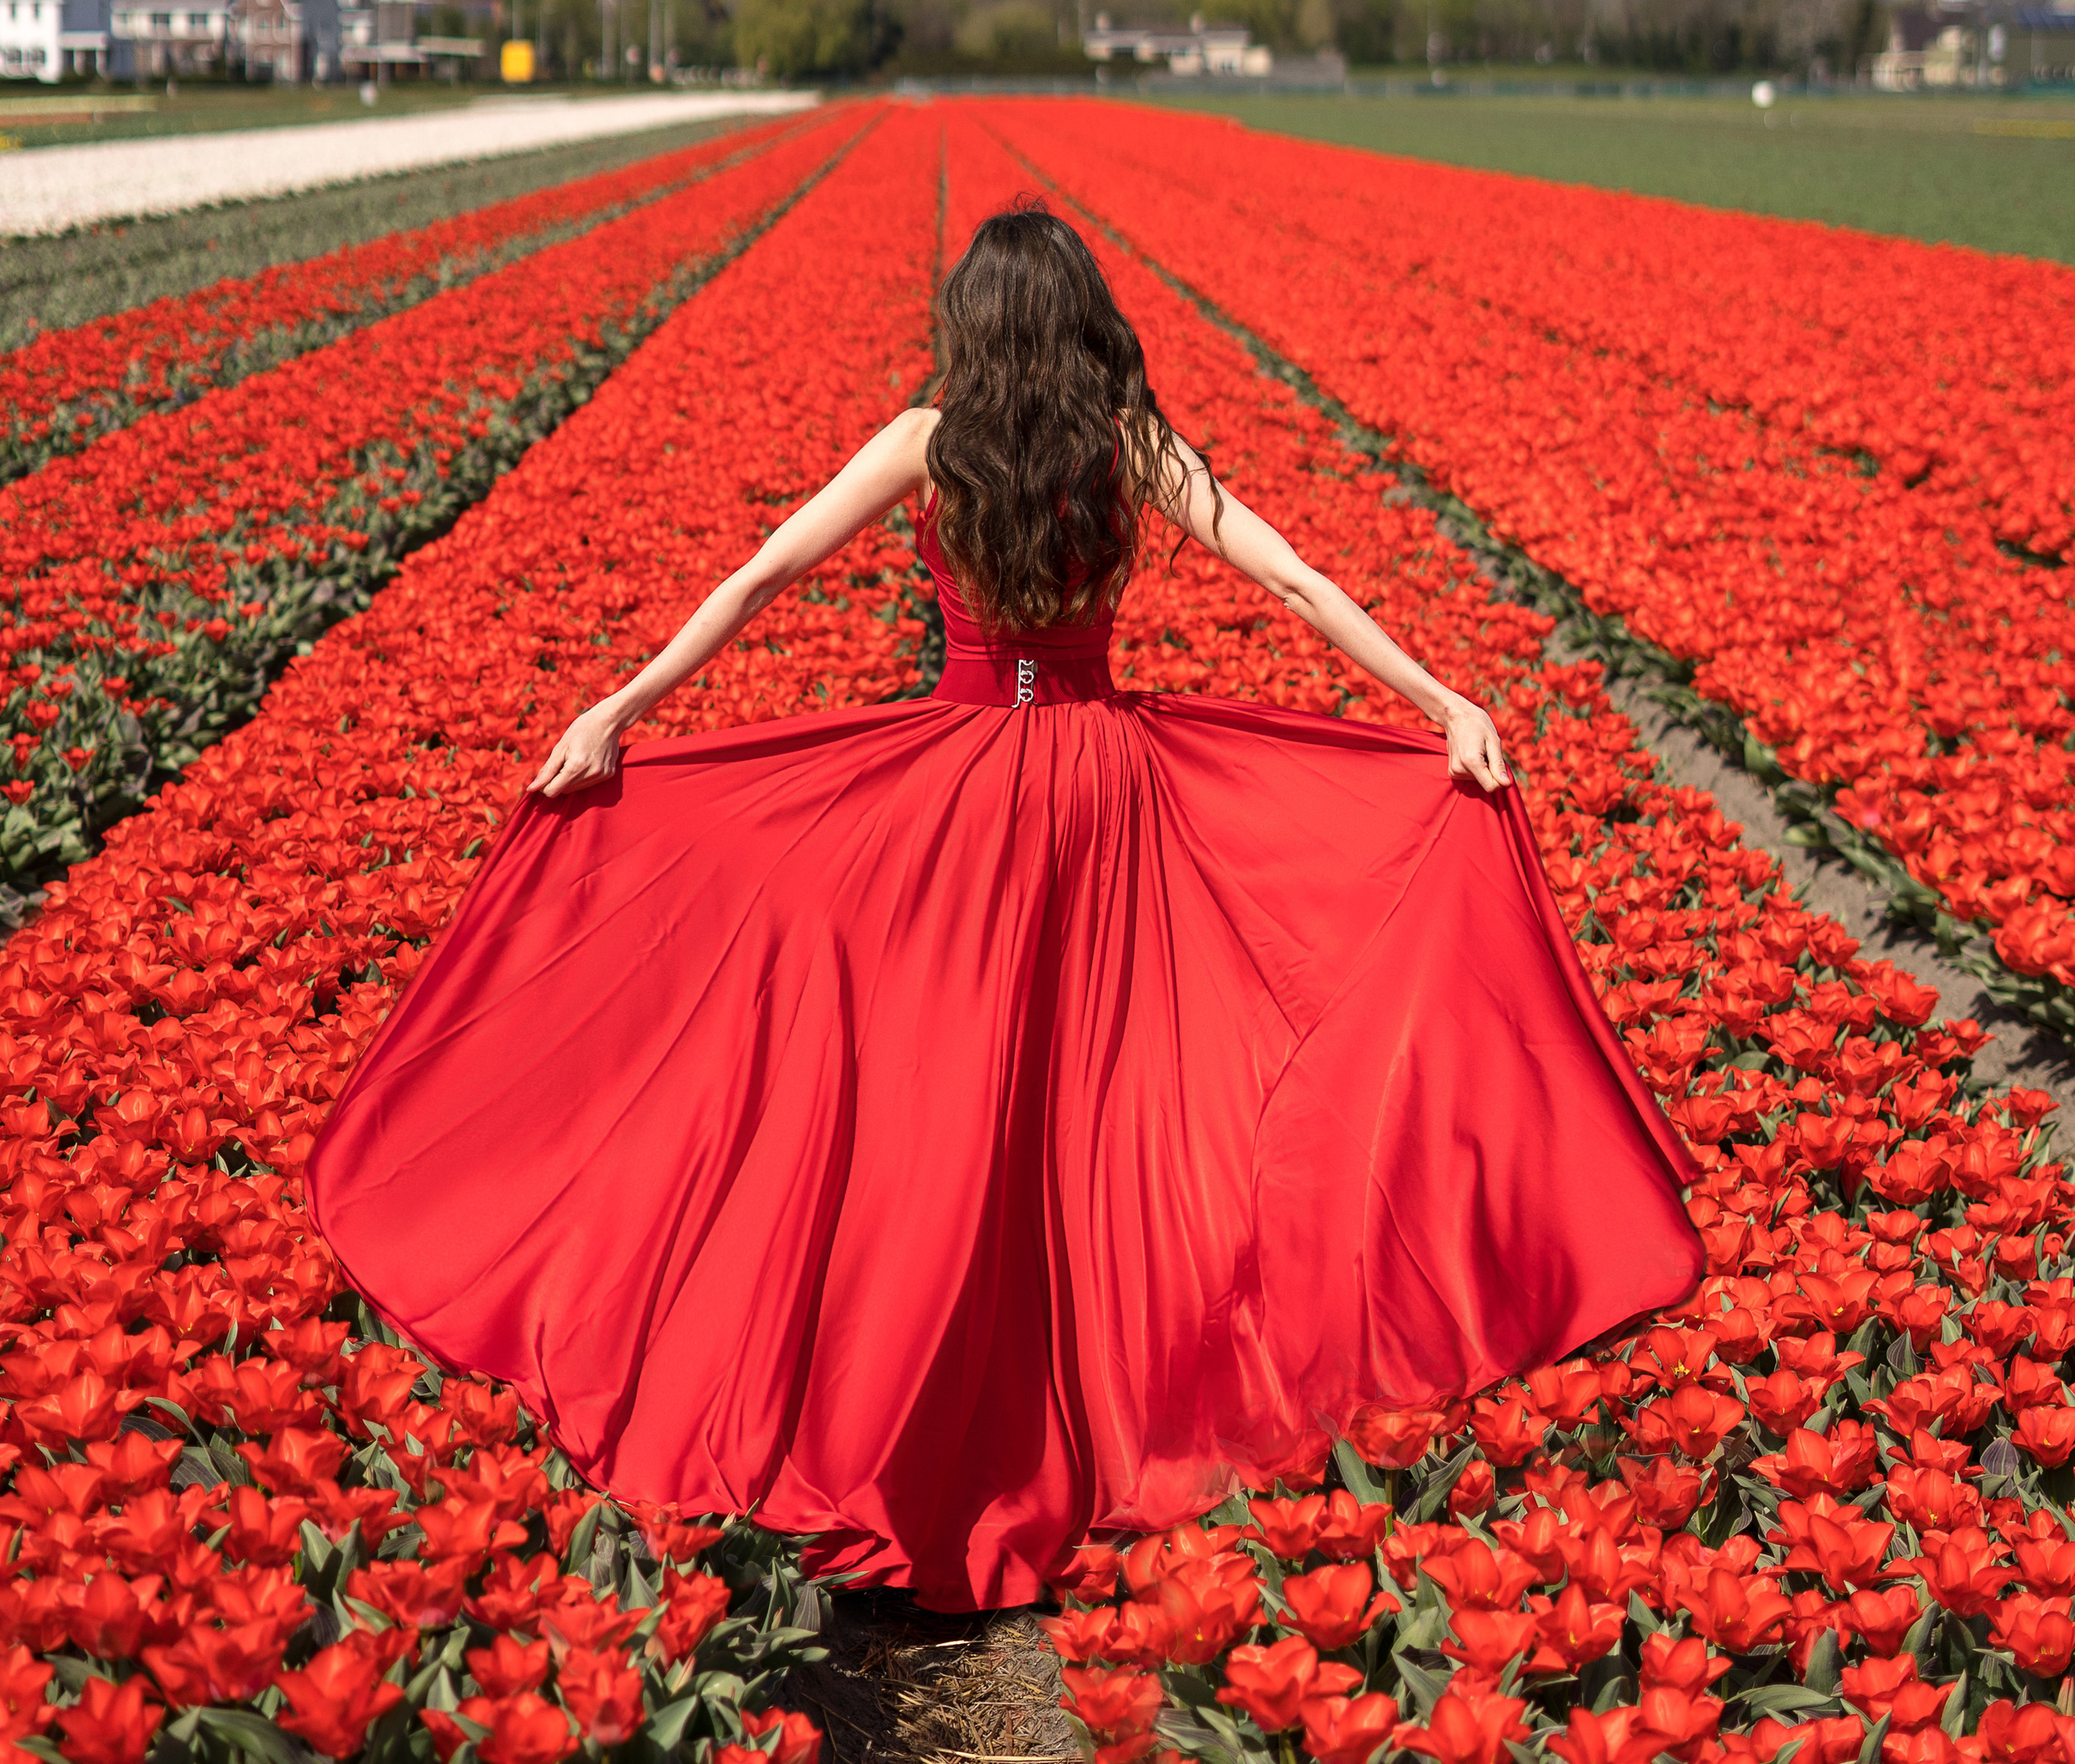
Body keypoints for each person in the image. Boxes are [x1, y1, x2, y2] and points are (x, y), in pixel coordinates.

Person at [308, 205, 1701, 1609]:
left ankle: (922, 1416)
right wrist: (1438, 699)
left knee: (951, 1092)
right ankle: (1103, 1400)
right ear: (1083, 311)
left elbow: (766, 572)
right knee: (1098, 1099)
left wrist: (625, 707)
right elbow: (1288, 573)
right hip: (1104, 785)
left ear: (974, 321)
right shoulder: (1129, 442)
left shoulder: (931, 442)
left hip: (963, 790)